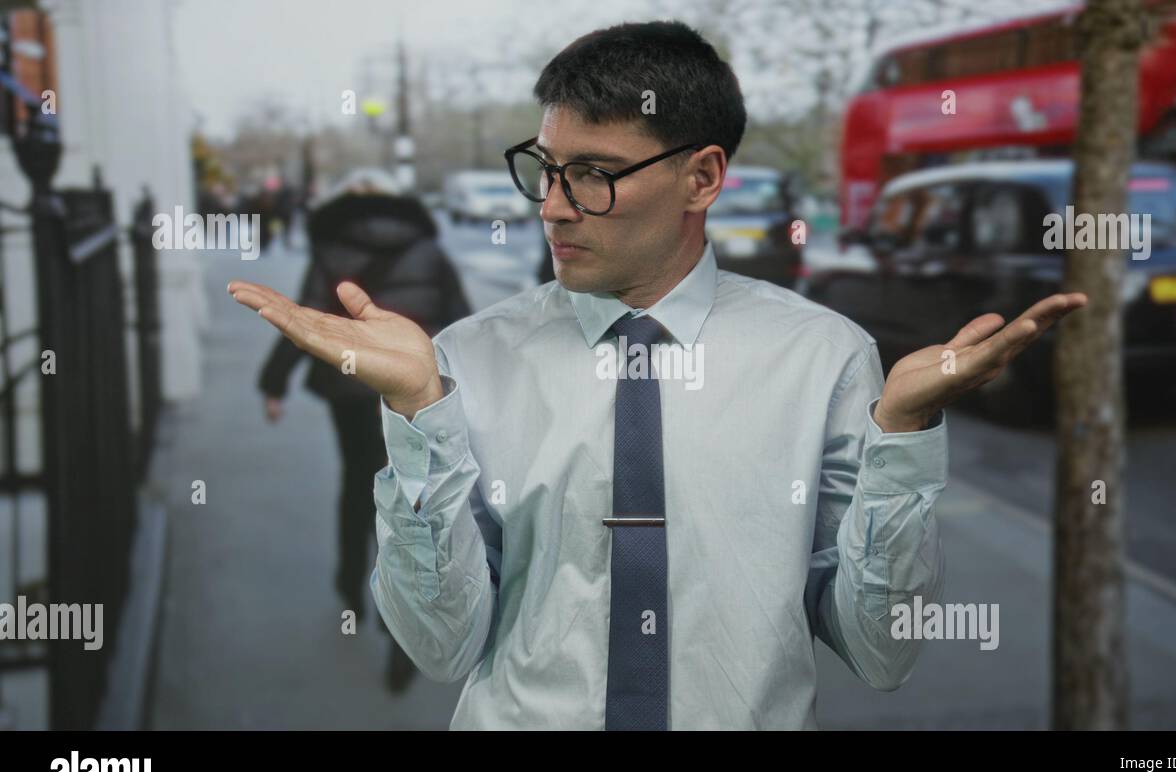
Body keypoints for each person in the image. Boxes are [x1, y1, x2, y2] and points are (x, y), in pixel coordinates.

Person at [230, 21, 1086, 730]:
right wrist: (415, 412)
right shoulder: (466, 359)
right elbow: (439, 646)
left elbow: (882, 650)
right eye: (546, 167)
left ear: (702, 177)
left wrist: (900, 438)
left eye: (594, 175)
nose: (553, 205)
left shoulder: (824, 358)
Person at [255, 167, 472, 693]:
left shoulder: (332, 252)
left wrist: (274, 382)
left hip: (351, 392)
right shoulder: (428, 249)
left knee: (357, 482)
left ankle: (351, 582)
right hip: (416, 391)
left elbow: (304, 325)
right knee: (414, 500)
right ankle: (404, 638)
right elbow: (461, 322)